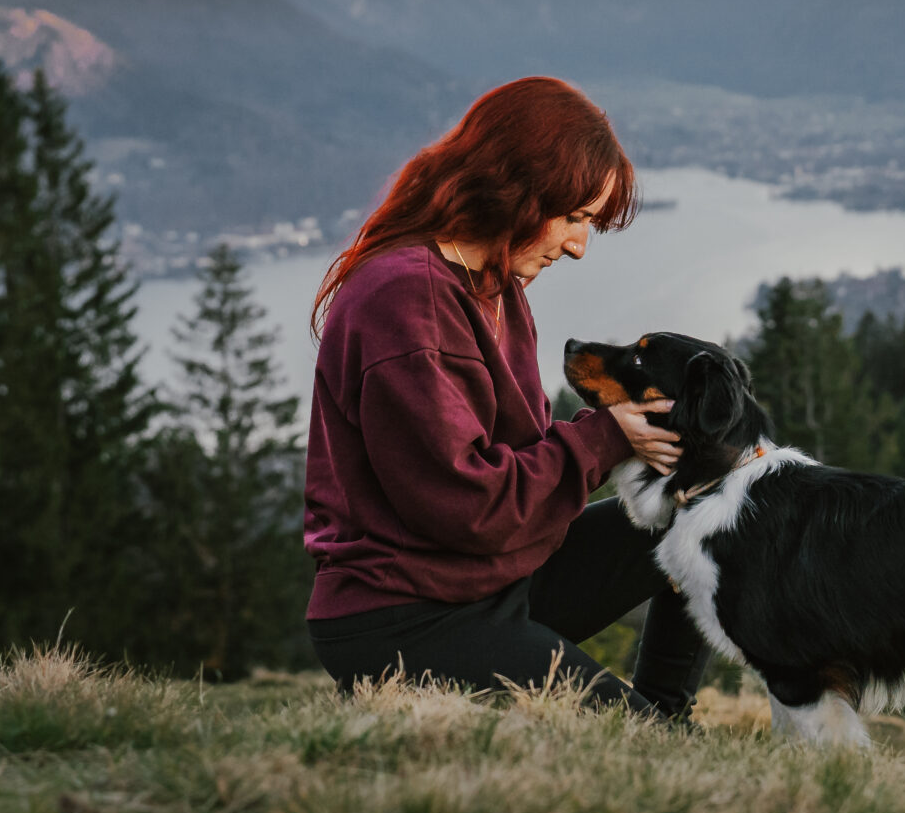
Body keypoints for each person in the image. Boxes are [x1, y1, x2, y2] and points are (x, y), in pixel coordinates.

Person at [300, 76, 709, 716]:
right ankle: (654, 735)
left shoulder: (491, 283)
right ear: (513, 189)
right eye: (574, 218)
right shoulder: (405, 299)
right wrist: (605, 436)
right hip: (407, 619)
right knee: (640, 748)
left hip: (494, 577)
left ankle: (665, 713)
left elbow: (514, 463)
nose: (578, 246)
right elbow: (469, 506)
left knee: (702, 517)